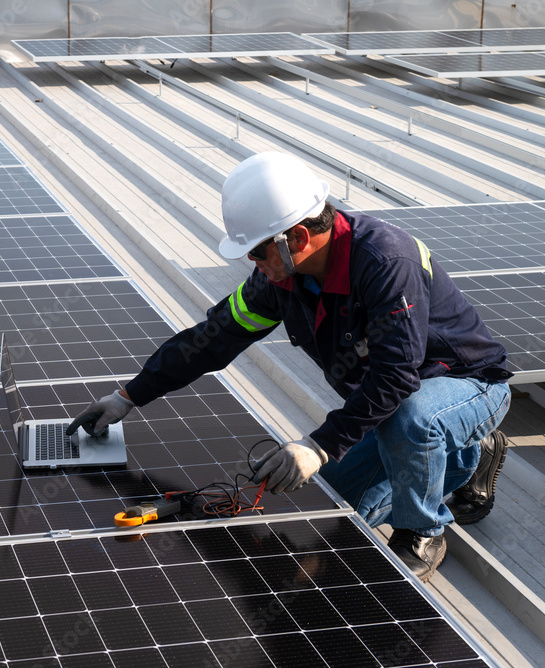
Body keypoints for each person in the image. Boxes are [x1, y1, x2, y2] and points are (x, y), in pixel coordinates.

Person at [67, 152, 512, 582]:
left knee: (414, 419)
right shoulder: (280, 280)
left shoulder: (385, 262)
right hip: (391, 406)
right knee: (339, 501)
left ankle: (424, 533)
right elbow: (213, 339)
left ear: (295, 238)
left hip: (464, 383)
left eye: (257, 253)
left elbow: (396, 375)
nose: (253, 265)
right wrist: (130, 395)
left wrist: (318, 446)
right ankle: (469, 457)